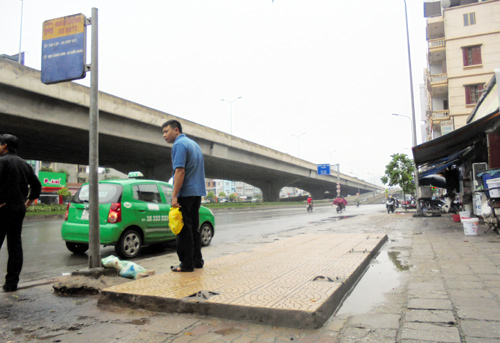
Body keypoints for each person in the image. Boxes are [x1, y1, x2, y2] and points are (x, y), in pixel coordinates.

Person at [162, 120, 206, 272]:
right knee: (193, 228)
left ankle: (186, 264)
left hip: (185, 193)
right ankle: (197, 261)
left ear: (176, 130)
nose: (164, 135)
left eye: (166, 131)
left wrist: (174, 196)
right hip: (196, 193)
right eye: (163, 132)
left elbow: (179, 171)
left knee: (183, 229)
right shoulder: (194, 145)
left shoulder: (179, 145)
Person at [0, 134, 41, 292]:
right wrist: (26, 204)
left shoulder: (2, 162)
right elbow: (36, 187)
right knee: (15, 245)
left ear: (5, 146)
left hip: (3, 208)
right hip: (18, 208)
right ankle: (11, 283)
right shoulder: (25, 165)